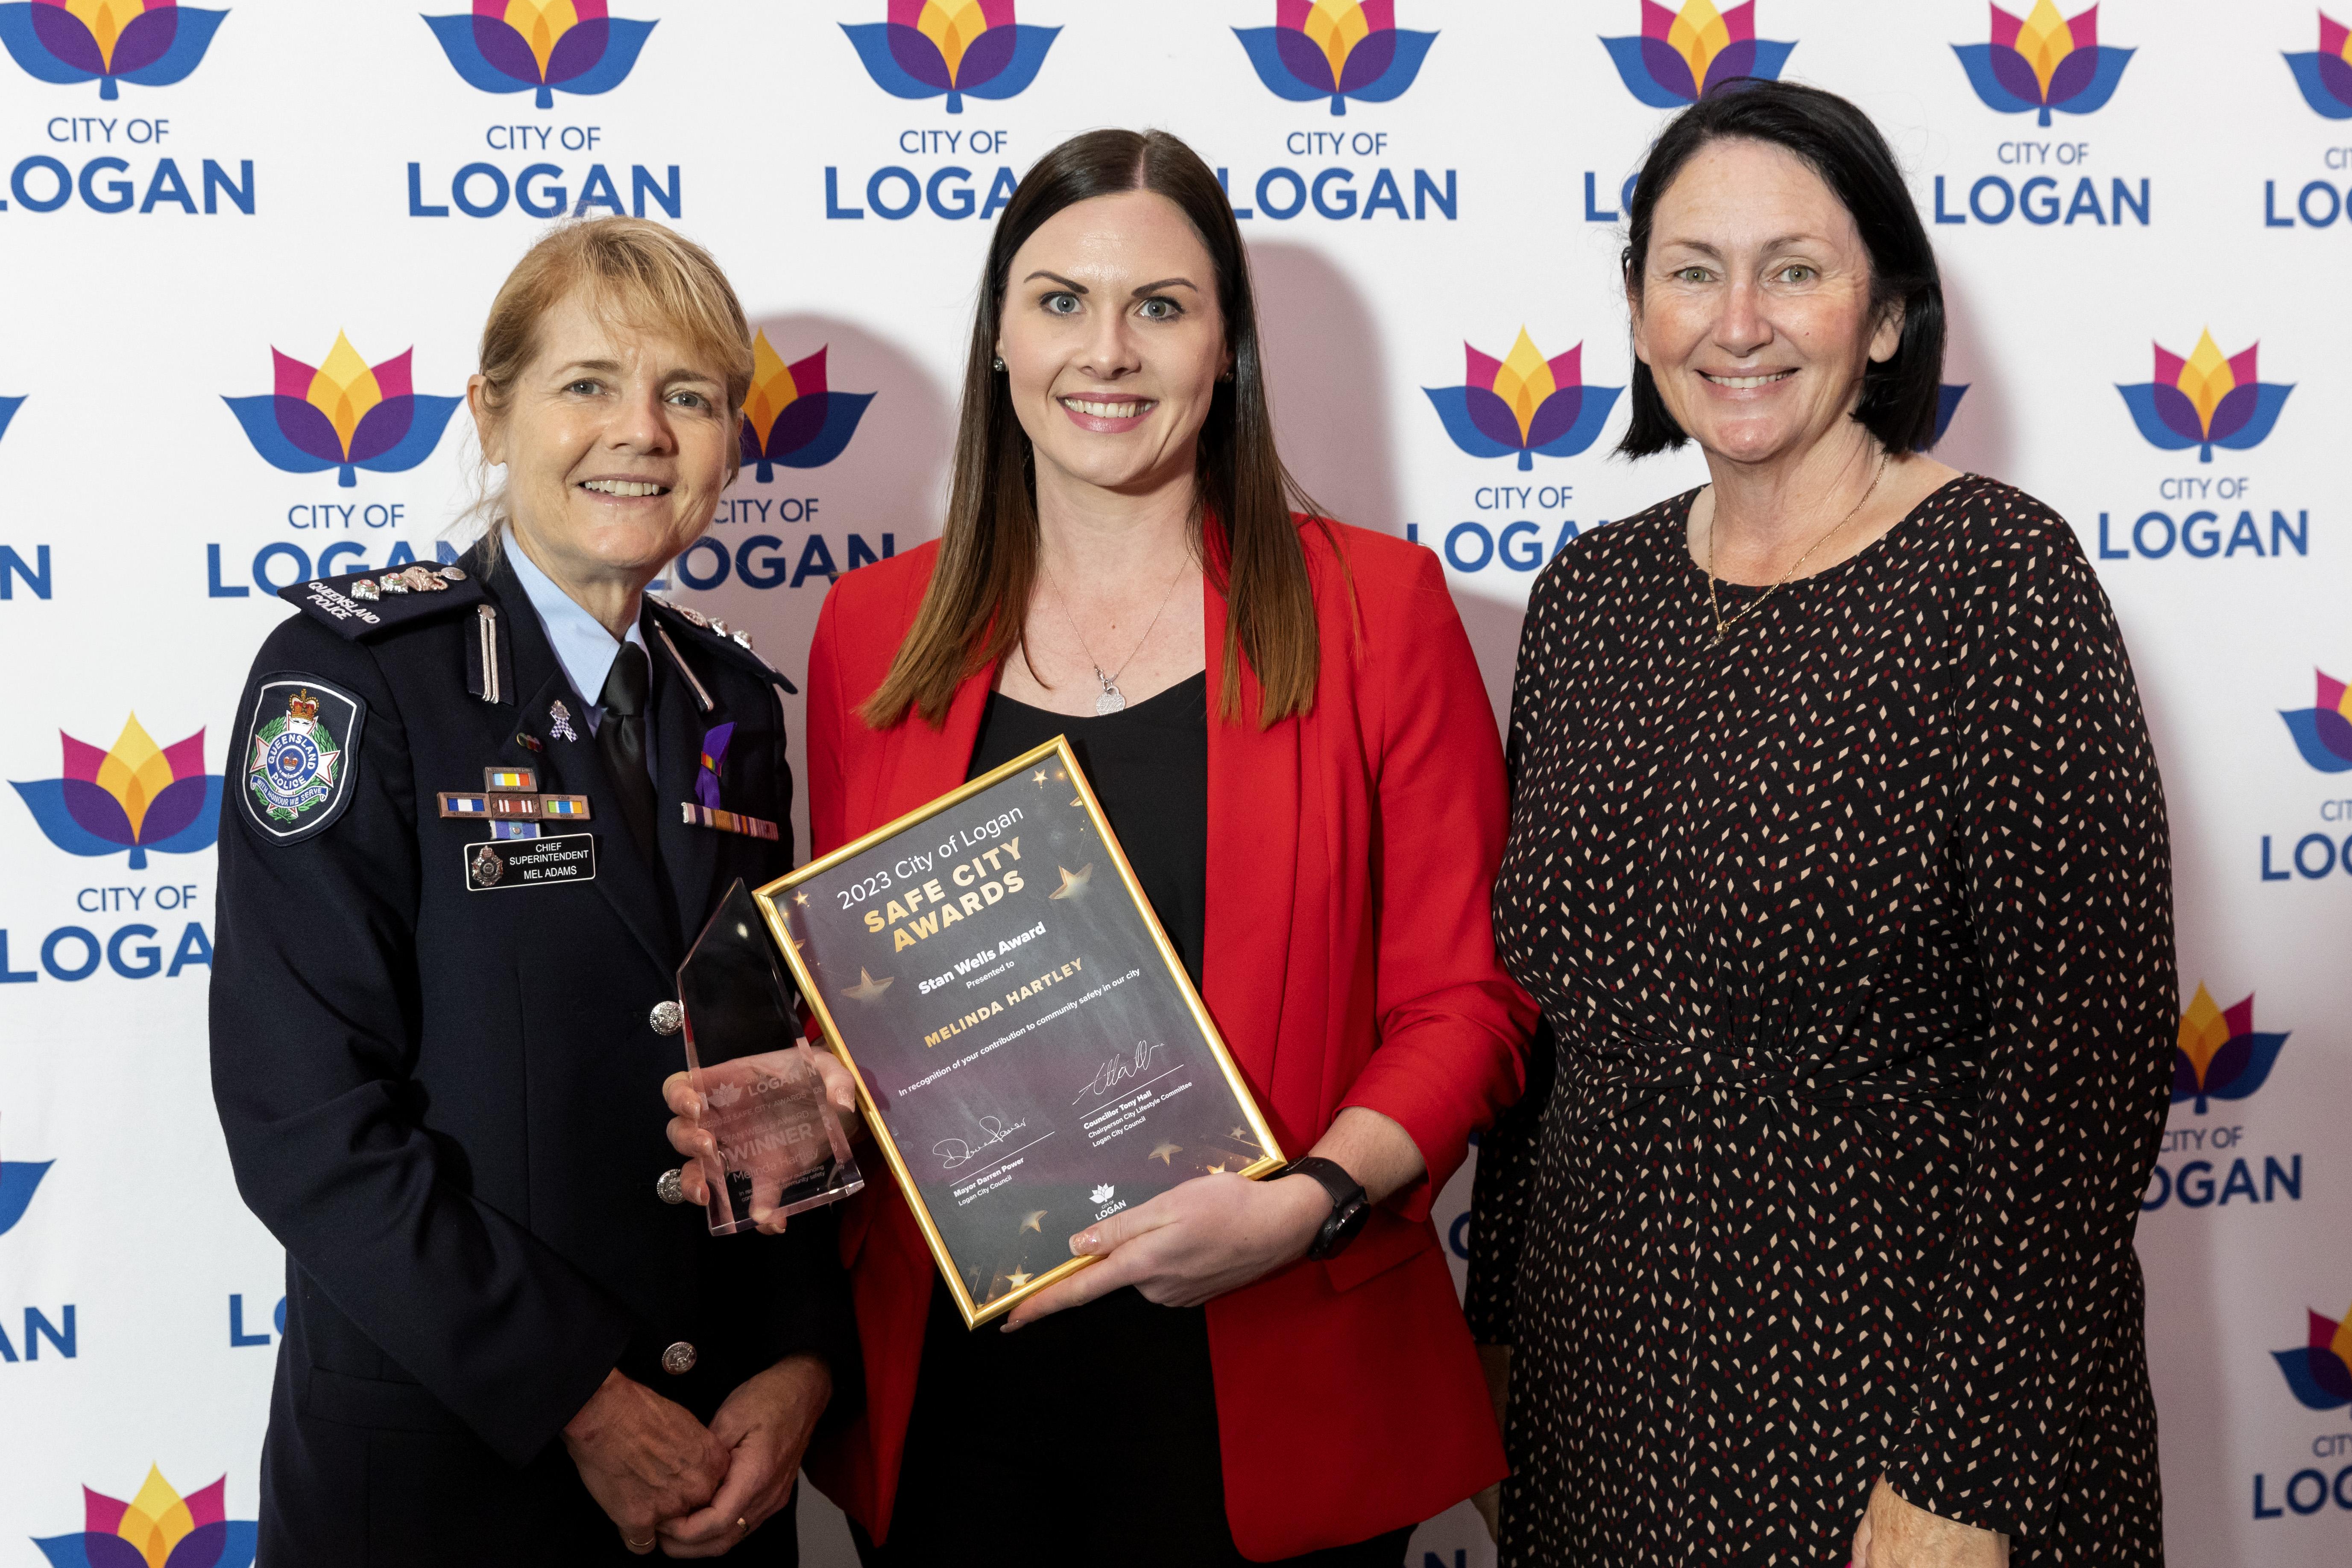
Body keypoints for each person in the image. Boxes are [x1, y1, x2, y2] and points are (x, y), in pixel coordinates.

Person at [659, 128, 1535, 1566]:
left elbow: (1466, 1007)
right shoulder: (877, 628)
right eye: (1059, 301)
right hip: (962, 1393)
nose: (1106, 352)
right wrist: (811, 1086)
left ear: (1226, 349)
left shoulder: (1376, 609)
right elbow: (871, 1000)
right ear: (999, 338)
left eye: (1161, 307)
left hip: (1270, 1374)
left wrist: (1302, 1207)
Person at [1466, 80, 2173, 1568]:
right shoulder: (1591, 602)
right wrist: (1499, 1349)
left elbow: (2085, 1062)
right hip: (1604, 1399)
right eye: (1690, 270)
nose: (1739, 321)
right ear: (1639, 310)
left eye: (1793, 269)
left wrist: (1966, 1472)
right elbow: (1551, 1041)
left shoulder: (1996, 579)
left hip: (1899, 1400)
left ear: (1886, 318)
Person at [210, 217, 856, 1565]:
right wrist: (576, 1396)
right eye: (587, 386)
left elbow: (770, 1074)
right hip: (450, 1461)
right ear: (490, 415)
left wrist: (797, 1358)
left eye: (688, 396)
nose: (643, 432)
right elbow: (305, 1119)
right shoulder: (354, 681)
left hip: (714, 1464)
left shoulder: (733, 704)